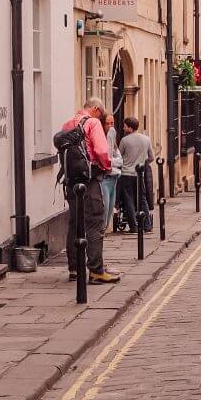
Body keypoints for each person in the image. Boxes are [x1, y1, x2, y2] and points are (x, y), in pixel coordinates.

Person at [61, 99, 120, 284]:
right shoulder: (92, 123)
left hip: (70, 182)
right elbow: (102, 152)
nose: (101, 119)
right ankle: (96, 270)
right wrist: (107, 166)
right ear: (95, 109)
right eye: (101, 115)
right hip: (89, 180)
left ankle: (74, 268)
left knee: (74, 224)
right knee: (95, 222)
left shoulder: (67, 123)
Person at [118, 117, 155, 233]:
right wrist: (142, 162)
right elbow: (152, 157)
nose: (123, 128)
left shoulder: (124, 140)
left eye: (125, 126)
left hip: (126, 174)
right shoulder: (146, 139)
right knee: (142, 199)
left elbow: (119, 157)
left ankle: (133, 227)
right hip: (139, 174)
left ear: (130, 127)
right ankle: (147, 225)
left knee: (128, 200)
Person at [101, 113, 123, 235]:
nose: (110, 126)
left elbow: (120, 160)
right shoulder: (103, 140)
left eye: (112, 123)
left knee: (109, 213)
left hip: (113, 181)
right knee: (104, 212)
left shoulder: (113, 143)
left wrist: (112, 162)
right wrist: (113, 162)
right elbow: (107, 161)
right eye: (107, 123)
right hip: (105, 180)